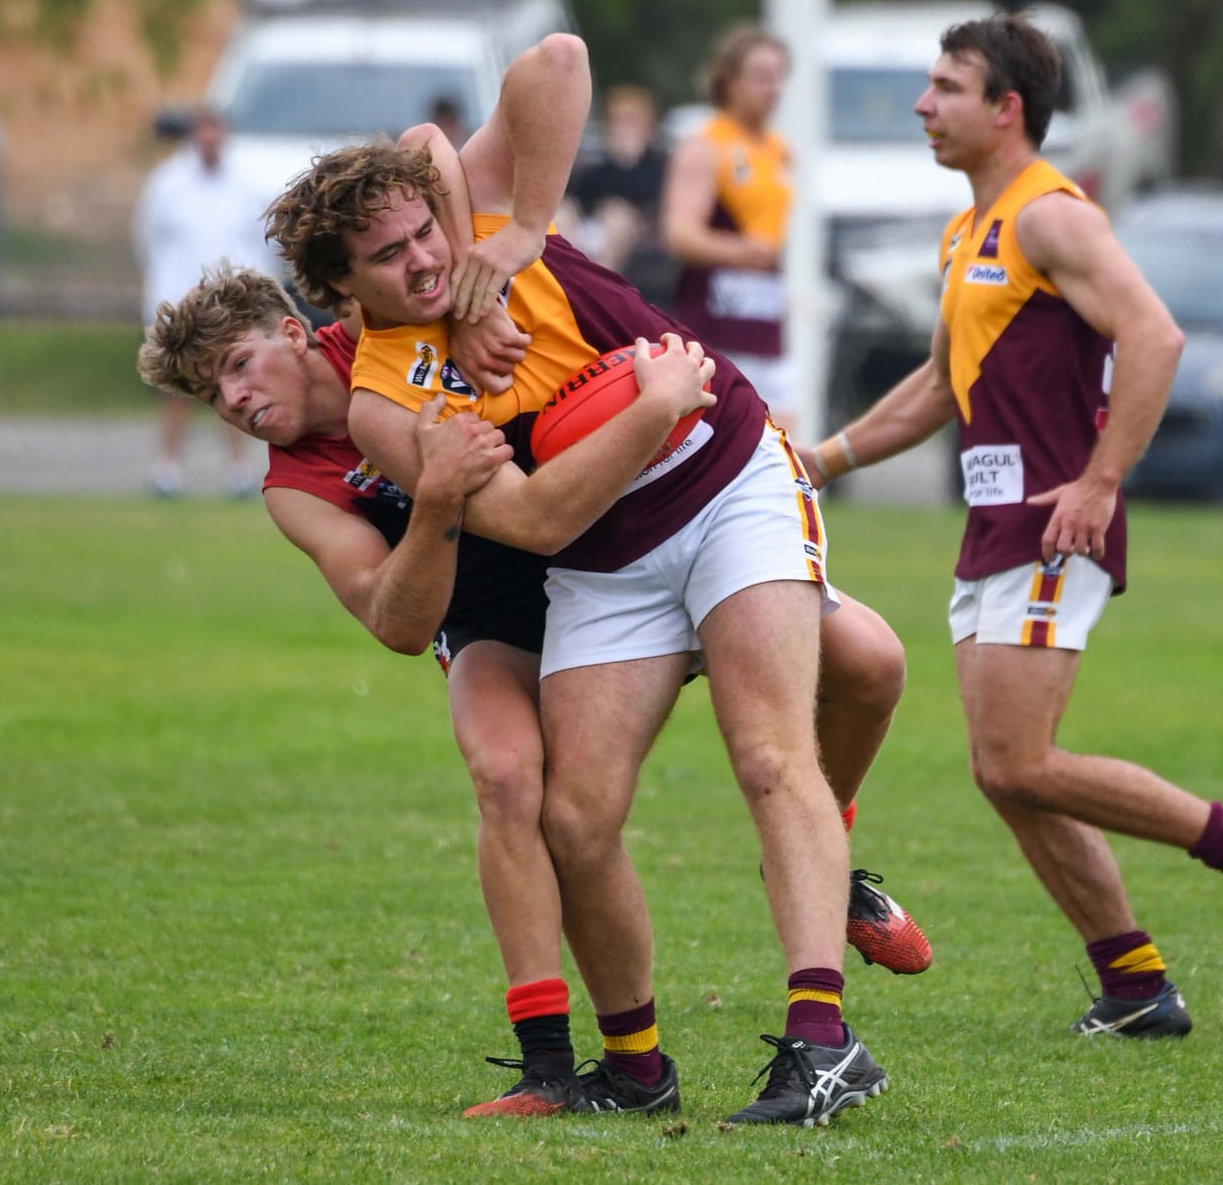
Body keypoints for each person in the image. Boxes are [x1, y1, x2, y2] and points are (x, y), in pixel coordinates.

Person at [270, 34, 895, 1126]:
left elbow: (554, 61)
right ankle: (637, 1067)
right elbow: (531, 517)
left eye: (425, 231)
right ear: (337, 290)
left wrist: (511, 230)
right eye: (388, 258)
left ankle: (820, 1039)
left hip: (724, 478)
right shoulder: (380, 403)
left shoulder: (472, 226)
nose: (422, 259)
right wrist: (647, 404)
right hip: (600, 549)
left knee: (767, 749)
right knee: (575, 814)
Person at [139, 255, 929, 1116]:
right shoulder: (294, 488)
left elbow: (438, 187)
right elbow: (398, 625)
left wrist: (485, 298)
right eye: (213, 395)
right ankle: (559, 1065)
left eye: (238, 365)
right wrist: (436, 497)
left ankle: (827, 865)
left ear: (293, 332)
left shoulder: (389, 330)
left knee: (871, 665)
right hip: (500, 615)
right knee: (510, 774)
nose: (235, 400)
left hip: (608, 545)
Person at [799, 15, 1223, 1039]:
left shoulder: (1049, 216)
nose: (922, 104)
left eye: (946, 86)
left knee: (1016, 760)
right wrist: (821, 460)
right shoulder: (970, 231)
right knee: (1006, 772)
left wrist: (1099, 481)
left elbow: (1154, 335)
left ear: (1007, 108)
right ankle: (1133, 985)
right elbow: (938, 382)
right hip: (997, 520)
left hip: (1055, 519)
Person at [662, 27, 802, 434]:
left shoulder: (778, 150)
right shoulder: (705, 146)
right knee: (717, 443)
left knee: (783, 445)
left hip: (765, 320)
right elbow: (680, 234)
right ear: (728, 81)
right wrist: (744, 253)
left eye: (779, 76)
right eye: (761, 76)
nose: (773, 87)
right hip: (713, 323)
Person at [133, 106, 271, 498]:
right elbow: (148, 240)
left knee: (233, 386)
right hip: (179, 306)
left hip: (232, 310)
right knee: (178, 390)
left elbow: (263, 244)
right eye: (202, 131)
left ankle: (239, 470)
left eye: (216, 130)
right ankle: (168, 468)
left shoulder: (248, 184)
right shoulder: (167, 183)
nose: (209, 139)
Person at [560, 84, 669, 286]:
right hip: (591, 231)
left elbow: (650, 196)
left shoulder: (659, 165)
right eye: (616, 121)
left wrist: (629, 163)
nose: (622, 129)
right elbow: (580, 197)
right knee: (563, 213)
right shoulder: (599, 168)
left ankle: (600, 285)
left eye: (630, 122)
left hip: (636, 235)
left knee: (617, 214)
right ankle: (568, 280)